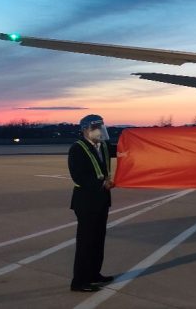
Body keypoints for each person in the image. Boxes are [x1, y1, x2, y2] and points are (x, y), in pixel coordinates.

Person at [68, 114, 115, 292]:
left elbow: (123, 150)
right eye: (96, 128)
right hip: (86, 202)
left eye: (101, 128)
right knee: (86, 242)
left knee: (98, 240)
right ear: (86, 130)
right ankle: (79, 281)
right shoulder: (77, 149)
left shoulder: (103, 146)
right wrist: (101, 184)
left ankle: (94, 274)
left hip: (102, 201)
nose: (100, 131)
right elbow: (78, 176)